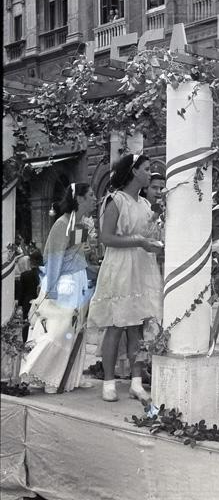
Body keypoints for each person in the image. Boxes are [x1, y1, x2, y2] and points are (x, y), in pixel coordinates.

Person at [87, 153, 163, 402]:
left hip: (142, 266)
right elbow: (106, 237)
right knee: (116, 325)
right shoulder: (115, 200)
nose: (150, 174)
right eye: (146, 169)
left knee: (137, 326)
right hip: (121, 266)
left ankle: (136, 382)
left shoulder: (145, 204)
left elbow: (148, 234)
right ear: (133, 171)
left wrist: (153, 238)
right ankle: (109, 381)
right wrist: (138, 241)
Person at [20, 183, 97, 393]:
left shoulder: (80, 224)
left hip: (79, 281)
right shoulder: (62, 224)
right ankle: (41, 375)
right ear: (79, 198)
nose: (95, 198)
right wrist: (52, 287)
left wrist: (89, 259)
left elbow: (77, 254)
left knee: (74, 329)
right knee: (56, 330)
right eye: (91, 195)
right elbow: (53, 258)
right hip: (62, 283)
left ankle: (66, 378)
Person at [16, 248, 43, 342]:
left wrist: (20, 305)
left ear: (31, 262)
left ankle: (25, 342)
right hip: (41, 303)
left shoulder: (25, 275)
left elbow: (21, 292)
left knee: (26, 324)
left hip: (27, 303)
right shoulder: (44, 274)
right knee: (39, 324)